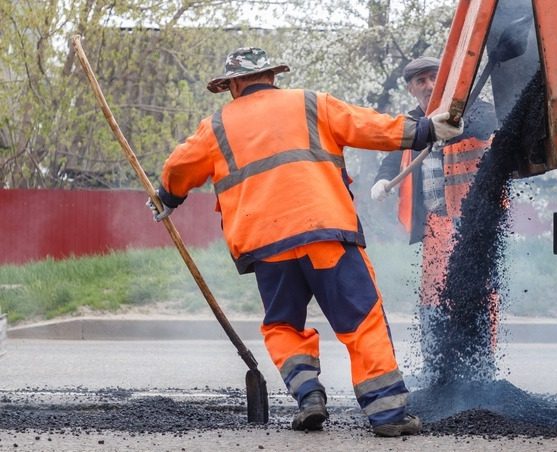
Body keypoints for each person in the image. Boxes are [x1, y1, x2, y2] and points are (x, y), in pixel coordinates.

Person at [147, 47, 462, 436]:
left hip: (266, 246)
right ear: (272, 77)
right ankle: (388, 415)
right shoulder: (310, 103)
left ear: (232, 86)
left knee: (282, 324)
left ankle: (308, 395)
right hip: (324, 232)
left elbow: (180, 168)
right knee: (361, 319)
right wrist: (426, 130)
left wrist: (167, 196)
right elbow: (368, 126)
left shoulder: (215, 126)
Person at [370, 57, 499, 380]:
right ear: (410, 88)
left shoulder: (473, 109)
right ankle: (437, 366)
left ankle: (481, 365)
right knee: (434, 294)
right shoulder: (412, 124)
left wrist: (448, 127)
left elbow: (487, 125)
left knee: (481, 291)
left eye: (433, 78)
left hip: (473, 223)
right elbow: (392, 151)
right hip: (436, 223)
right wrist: (382, 180)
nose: (428, 86)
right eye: (420, 81)